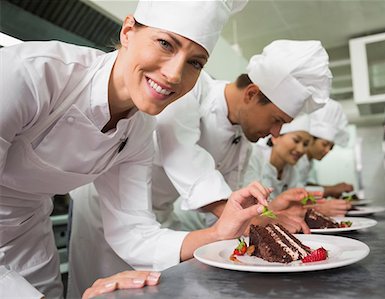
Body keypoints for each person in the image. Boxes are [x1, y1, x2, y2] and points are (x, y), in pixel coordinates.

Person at [0, 0, 253, 298]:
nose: (174, 75)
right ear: (128, 31)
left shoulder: (140, 130)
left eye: (195, 62)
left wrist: (219, 234)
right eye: (165, 44)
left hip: (27, 234)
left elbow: (132, 231)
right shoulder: (30, 74)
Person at [68, 39, 333, 295]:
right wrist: (247, 217)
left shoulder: (242, 143)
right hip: (108, 212)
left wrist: (265, 216)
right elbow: (182, 156)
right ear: (252, 94)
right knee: (106, 291)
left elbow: (225, 210)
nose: (275, 133)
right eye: (276, 120)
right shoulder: (191, 90)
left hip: (159, 220)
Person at [294, 99, 353, 216]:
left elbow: (301, 184)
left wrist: (331, 188)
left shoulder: (308, 161)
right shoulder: (295, 157)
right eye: (325, 144)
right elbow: (292, 191)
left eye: (331, 148)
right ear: (310, 139)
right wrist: (330, 190)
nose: (327, 151)